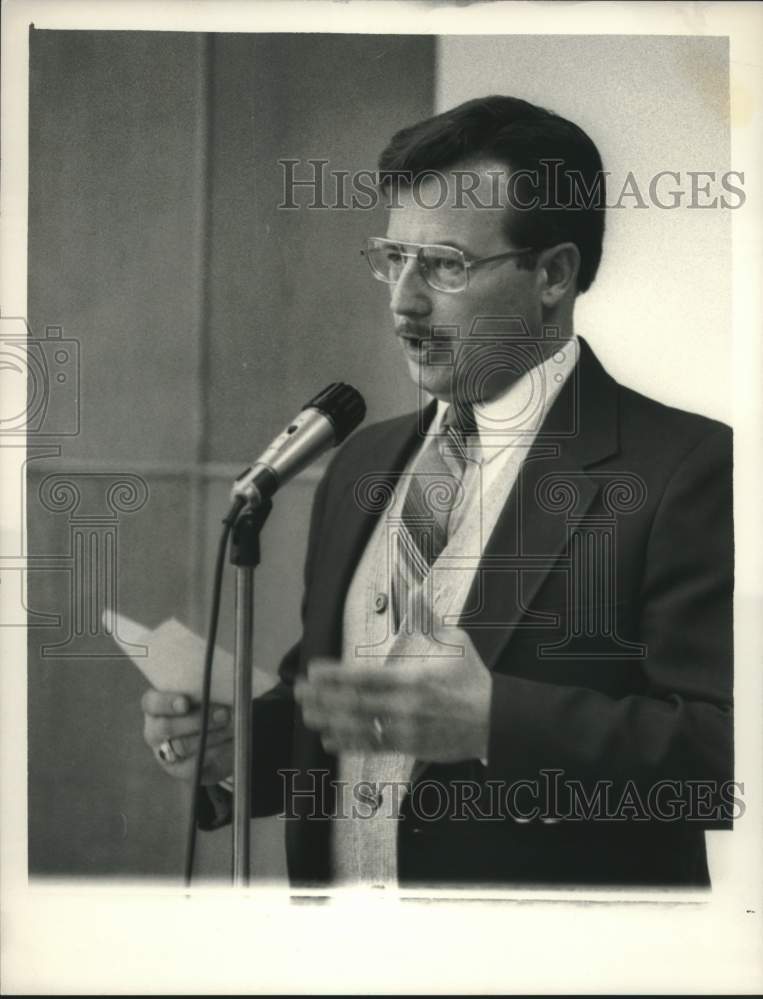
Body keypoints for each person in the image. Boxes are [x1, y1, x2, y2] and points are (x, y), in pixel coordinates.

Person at [142, 96, 734, 889]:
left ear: (553, 273)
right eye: (393, 258)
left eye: (445, 266)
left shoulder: (684, 467)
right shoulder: (364, 461)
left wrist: (496, 723)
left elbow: (724, 753)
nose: (403, 301)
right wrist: (238, 746)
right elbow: (345, 704)